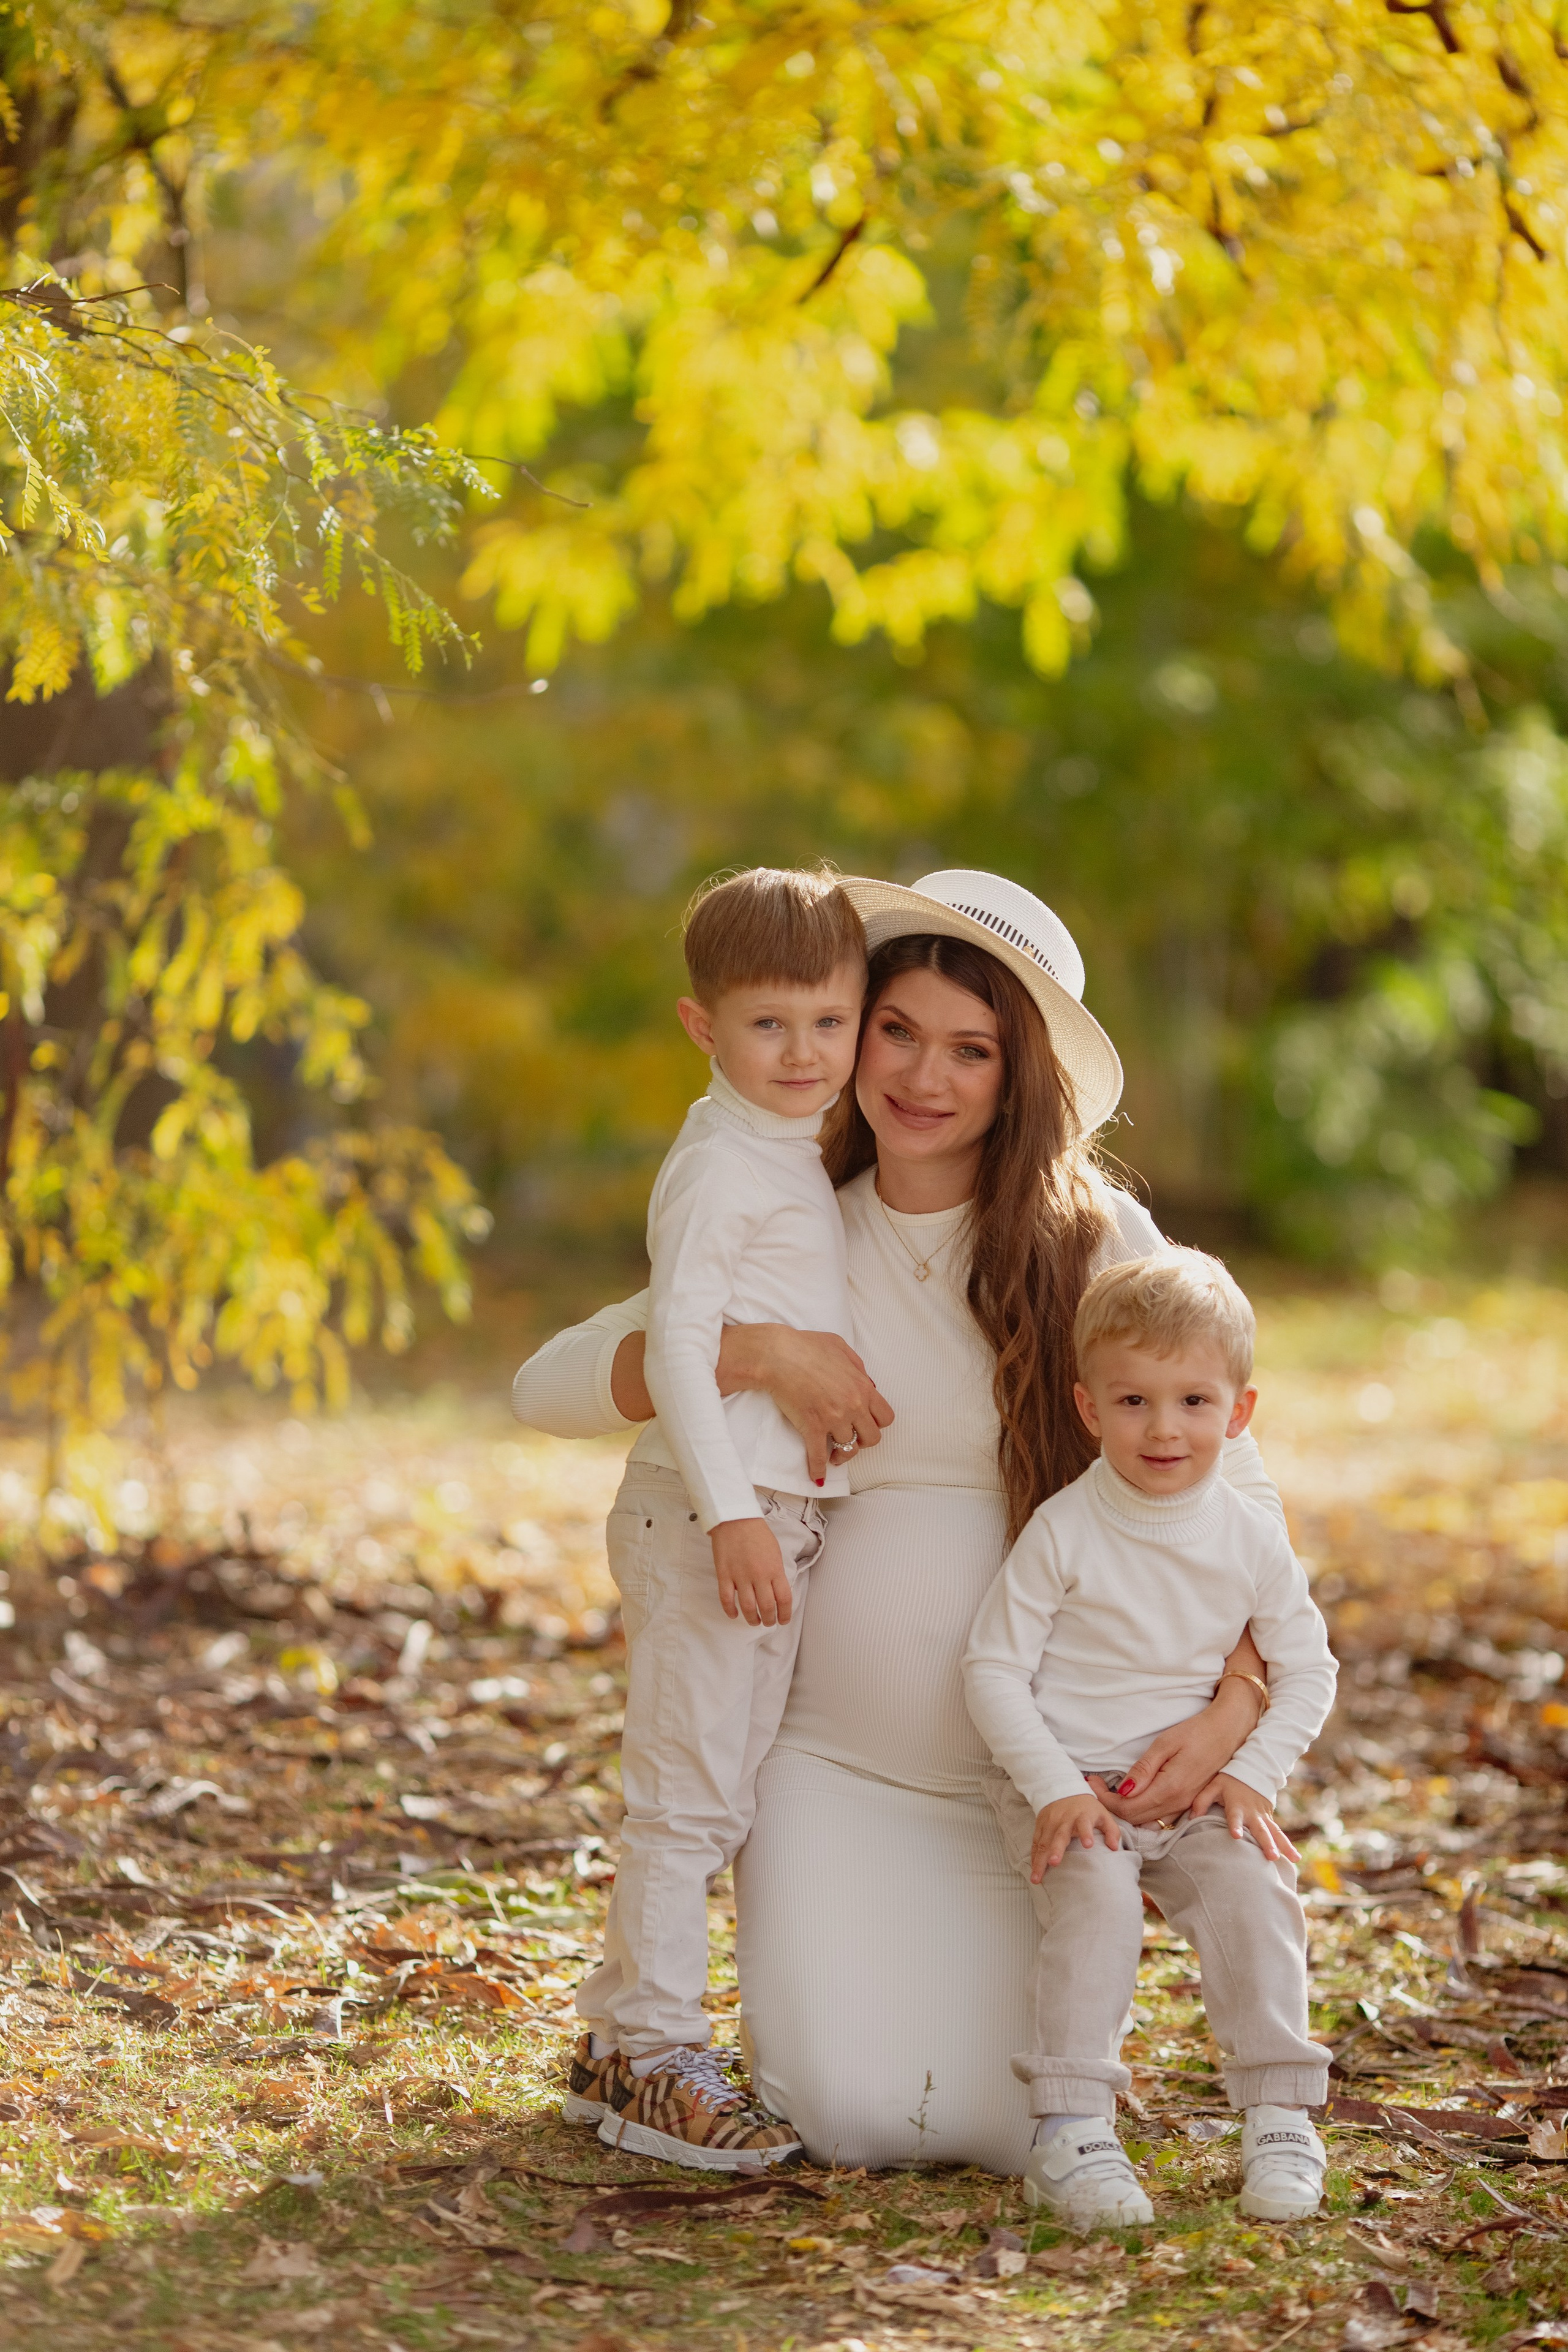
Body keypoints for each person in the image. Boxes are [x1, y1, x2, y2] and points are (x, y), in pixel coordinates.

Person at [514, 868, 1284, 2173]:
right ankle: (640, 2041)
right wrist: (757, 1351)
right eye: (898, 1029)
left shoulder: (1096, 1241)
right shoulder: (785, 1210)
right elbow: (543, 1387)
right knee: (855, 2116)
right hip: (824, 1768)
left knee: (986, 2123)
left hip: (1018, 1781)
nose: (924, 1075)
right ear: (851, 1026)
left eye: (970, 1048)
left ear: (1017, 1071)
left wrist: (1225, 1718)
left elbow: (1244, 1502)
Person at [566, 867, 867, 2170]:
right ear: (702, 1027)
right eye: (767, 1026)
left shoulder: (791, 1148)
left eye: (828, 1023)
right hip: (705, 1525)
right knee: (683, 1805)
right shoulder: (716, 1168)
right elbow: (681, 1350)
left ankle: (612, 2045)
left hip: (758, 1521)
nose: (802, 1054)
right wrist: (733, 1512)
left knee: (710, 1796)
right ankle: (661, 2057)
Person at [963, 1249, 1337, 2227]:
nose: (1163, 1429)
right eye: (1132, 1403)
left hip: (1202, 1786)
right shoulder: (1063, 1530)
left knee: (1257, 1889)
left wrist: (1252, 1775)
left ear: (1240, 1412)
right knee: (1096, 1896)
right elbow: (992, 1669)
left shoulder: (1250, 1534)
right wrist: (1056, 1788)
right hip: (1070, 1779)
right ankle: (1071, 2128)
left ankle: (1281, 2111)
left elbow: (1311, 1668)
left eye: (1193, 1402)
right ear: (1089, 1409)